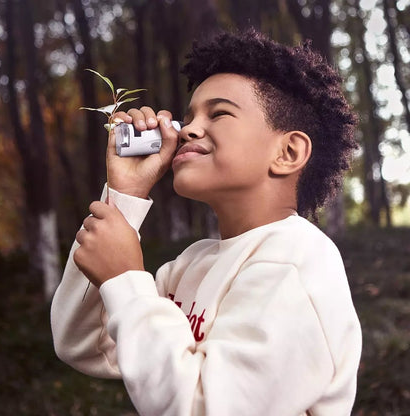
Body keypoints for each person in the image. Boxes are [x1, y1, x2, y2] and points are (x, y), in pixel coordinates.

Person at [51, 28, 362, 416]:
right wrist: (124, 198)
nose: (187, 130)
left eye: (219, 113)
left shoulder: (298, 260)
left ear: (288, 151)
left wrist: (125, 280)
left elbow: (206, 407)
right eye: (188, 117)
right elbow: (83, 344)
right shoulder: (192, 263)